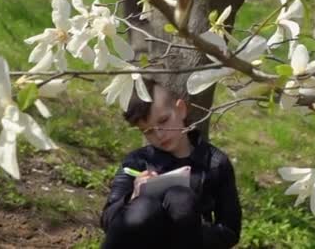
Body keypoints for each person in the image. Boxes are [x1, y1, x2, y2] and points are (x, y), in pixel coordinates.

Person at [100, 79, 242, 248]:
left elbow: (230, 231)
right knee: (145, 206)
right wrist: (133, 197)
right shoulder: (137, 162)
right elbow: (107, 220)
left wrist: (188, 228)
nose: (160, 135)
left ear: (181, 109)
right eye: (149, 131)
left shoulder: (215, 163)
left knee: (180, 199)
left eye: (163, 120)